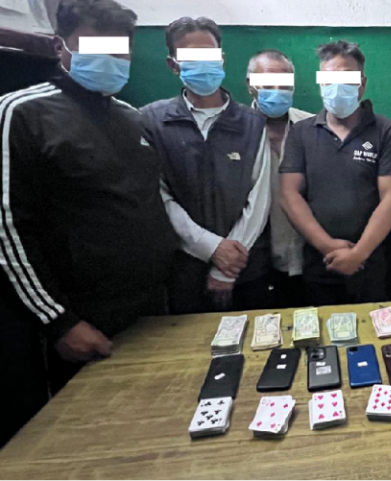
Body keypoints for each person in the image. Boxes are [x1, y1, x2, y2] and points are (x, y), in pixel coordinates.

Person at [0, 0, 176, 446]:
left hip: (150, 311)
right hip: (80, 321)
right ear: (60, 47)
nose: (111, 60)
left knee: (153, 429)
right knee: (85, 441)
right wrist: (59, 321)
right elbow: (7, 228)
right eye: (97, 48)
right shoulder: (22, 112)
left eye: (120, 51)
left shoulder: (130, 117)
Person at [141, 17, 273, 313]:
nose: (202, 63)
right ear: (173, 65)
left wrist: (228, 264)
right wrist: (211, 248)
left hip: (245, 267)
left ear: (222, 59)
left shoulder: (252, 123)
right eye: (191, 57)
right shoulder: (152, 121)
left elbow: (259, 197)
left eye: (209, 55)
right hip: (186, 268)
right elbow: (159, 197)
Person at [280, 40, 391, 306]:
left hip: (372, 265)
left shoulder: (387, 131)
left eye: (347, 78)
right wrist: (328, 246)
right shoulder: (300, 132)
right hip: (319, 264)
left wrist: (358, 253)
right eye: (329, 79)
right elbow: (290, 195)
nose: (337, 87)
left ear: (362, 83)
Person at [246, 49, 312, 308]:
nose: (276, 90)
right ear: (250, 85)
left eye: (283, 84)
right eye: (267, 83)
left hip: (308, 259)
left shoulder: (313, 127)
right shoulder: (234, 132)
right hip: (251, 265)